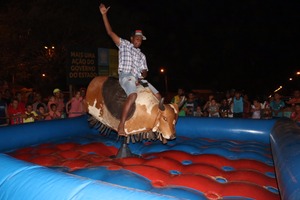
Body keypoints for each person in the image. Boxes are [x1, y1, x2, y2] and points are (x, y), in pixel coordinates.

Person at [99, 3, 161, 136]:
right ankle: (121, 125)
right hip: (126, 76)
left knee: (158, 96)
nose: (139, 41)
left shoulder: (142, 55)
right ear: (132, 38)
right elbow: (110, 32)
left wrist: (143, 75)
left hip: (139, 79)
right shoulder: (124, 45)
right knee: (133, 95)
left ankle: (160, 124)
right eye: (137, 38)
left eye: (141, 39)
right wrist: (104, 15)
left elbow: (145, 70)